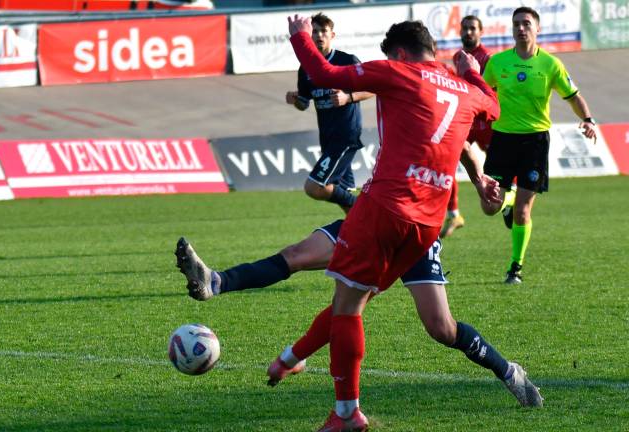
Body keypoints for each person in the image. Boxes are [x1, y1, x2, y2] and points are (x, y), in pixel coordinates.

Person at [222, 15, 507, 431]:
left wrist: (299, 35)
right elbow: (493, 108)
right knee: (366, 304)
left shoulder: (399, 71)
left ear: (402, 54)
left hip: (384, 209)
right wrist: (472, 74)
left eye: (390, 57)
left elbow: (323, 72)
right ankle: (290, 362)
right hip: (427, 226)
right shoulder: (461, 87)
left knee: (347, 306)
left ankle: (346, 413)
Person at [175, 144, 542, 420]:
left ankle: (508, 371)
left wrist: (481, 183)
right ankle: (217, 281)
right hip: (372, 218)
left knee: (440, 328)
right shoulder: (395, 91)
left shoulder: (440, 104)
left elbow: (467, 154)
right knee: (302, 258)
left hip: (416, 232)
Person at [480, 7, 597, 284]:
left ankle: (515, 267)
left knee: (524, 211)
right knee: (489, 207)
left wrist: (589, 119)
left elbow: (573, 96)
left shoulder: (551, 65)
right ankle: (505, 200)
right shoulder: (498, 64)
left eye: (526, 24)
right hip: (502, 140)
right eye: (517, 24)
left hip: (535, 142)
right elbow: (480, 94)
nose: (521, 29)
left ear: (537, 29)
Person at [285, 13, 374, 213]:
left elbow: (373, 88)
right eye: (314, 31)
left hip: (345, 136)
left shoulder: (346, 60)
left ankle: (364, 208)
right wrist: (296, 100)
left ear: (332, 35)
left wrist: (348, 97)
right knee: (343, 196)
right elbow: (304, 103)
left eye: (323, 31)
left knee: (315, 187)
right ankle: (359, 236)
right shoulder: (306, 68)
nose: (319, 35)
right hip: (327, 138)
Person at [440, 15, 494, 238]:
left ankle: (508, 201)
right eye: (465, 28)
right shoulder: (458, 56)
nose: (468, 32)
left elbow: (491, 91)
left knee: (499, 166)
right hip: (467, 119)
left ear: (481, 32)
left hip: (487, 120)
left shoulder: (488, 58)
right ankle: (454, 215)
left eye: (472, 28)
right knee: (447, 161)